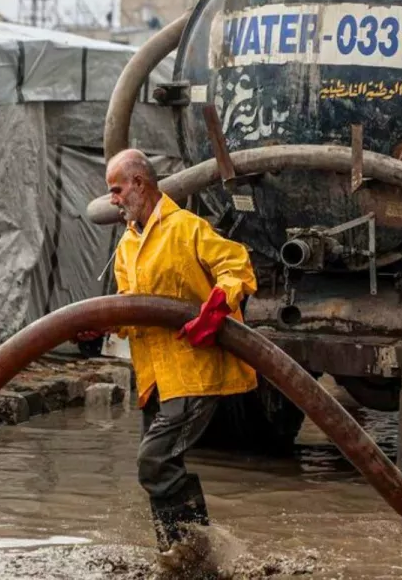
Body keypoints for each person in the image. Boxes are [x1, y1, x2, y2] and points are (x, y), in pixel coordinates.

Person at [90, 148, 258, 570]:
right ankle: (181, 558)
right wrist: (103, 324)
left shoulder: (186, 227)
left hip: (195, 371)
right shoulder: (128, 244)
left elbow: (236, 264)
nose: (112, 199)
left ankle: (195, 548)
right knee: (160, 468)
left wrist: (216, 307)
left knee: (155, 462)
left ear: (140, 184)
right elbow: (133, 310)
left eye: (116, 189)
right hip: (156, 379)